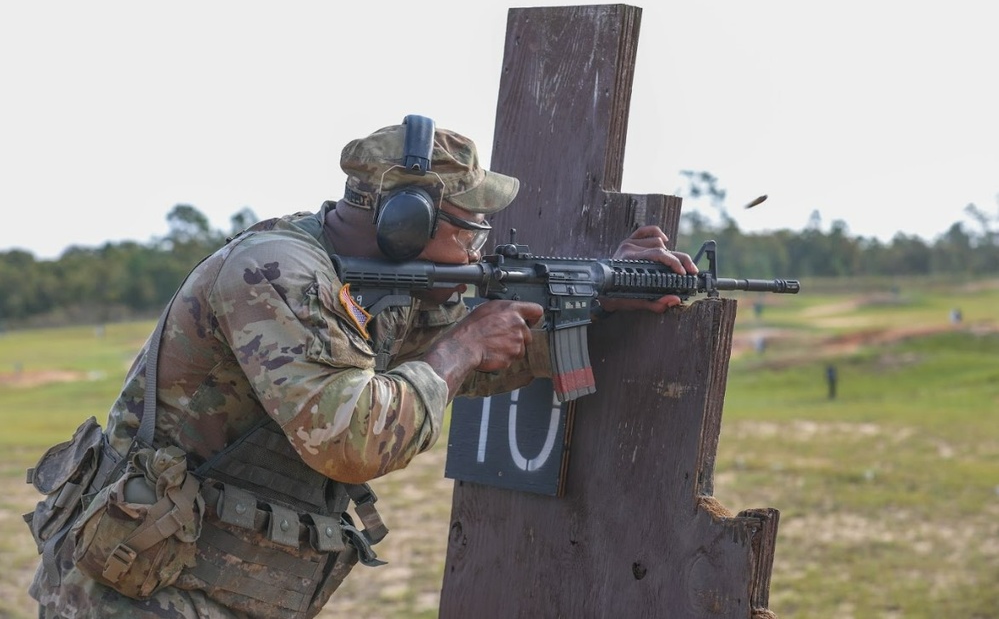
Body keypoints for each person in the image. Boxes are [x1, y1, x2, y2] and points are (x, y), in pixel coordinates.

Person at [28, 118, 697, 619]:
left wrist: (600, 297)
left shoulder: (381, 285)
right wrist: (460, 347)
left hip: (208, 579)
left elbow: (488, 360)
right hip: (141, 588)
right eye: (467, 229)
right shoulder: (277, 272)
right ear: (406, 223)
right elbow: (354, 441)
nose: (475, 248)